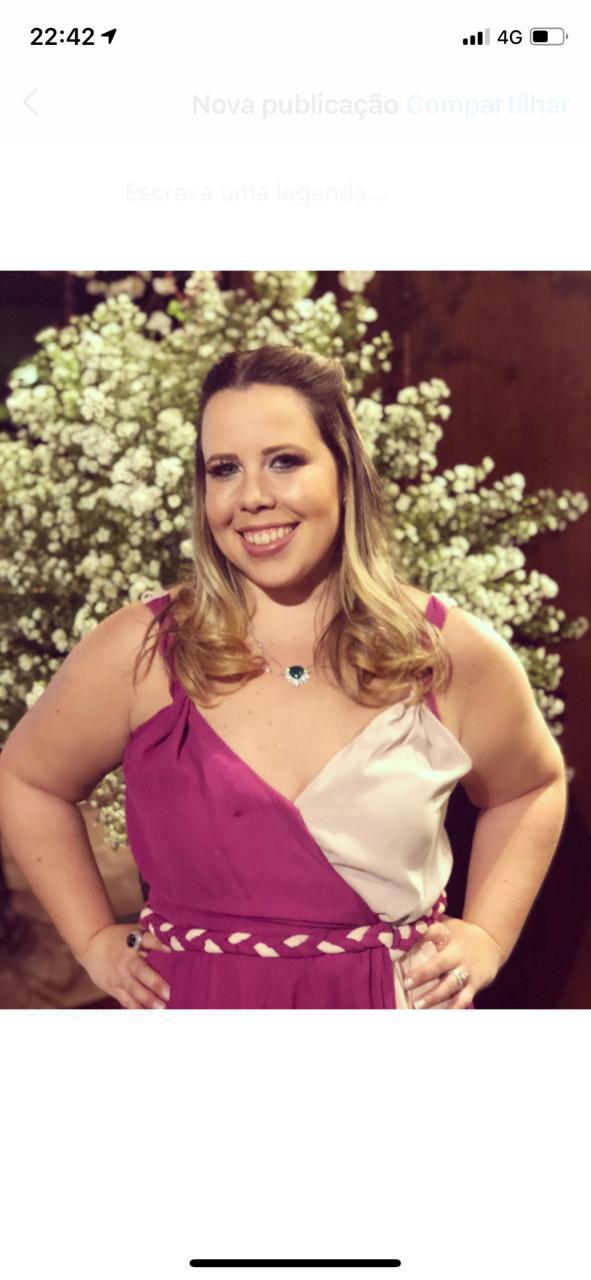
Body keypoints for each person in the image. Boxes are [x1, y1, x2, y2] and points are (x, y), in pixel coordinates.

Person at [0, 345, 567, 1009]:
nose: (252, 498)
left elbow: (531, 787)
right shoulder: (142, 649)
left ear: (344, 473)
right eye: (224, 469)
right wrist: (94, 939)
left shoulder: (447, 651)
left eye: (285, 461)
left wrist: (487, 936)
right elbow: (28, 779)